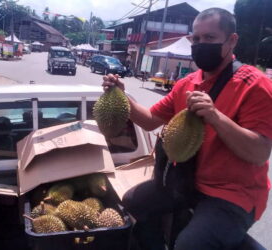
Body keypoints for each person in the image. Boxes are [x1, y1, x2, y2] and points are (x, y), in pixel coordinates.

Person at [102, 8, 272, 250]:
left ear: (232, 41)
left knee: (189, 245)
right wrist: (120, 93)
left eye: (210, 38)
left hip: (233, 195)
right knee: (133, 202)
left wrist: (215, 116)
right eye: (197, 38)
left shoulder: (255, 85)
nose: (201, 44)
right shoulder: (187, 83)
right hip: (186, 183)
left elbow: (259, 152)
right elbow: (150, 120)